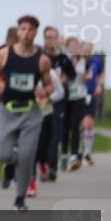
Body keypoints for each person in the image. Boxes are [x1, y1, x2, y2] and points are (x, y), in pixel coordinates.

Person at [0, 15, 54, 211]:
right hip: (7, 110)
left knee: (27, 155)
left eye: (30, 29)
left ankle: (20, 198)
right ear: (18, 31)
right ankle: (11, 164)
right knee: (2, 154)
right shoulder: (4, 54)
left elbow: (49, 85)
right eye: (23, 29)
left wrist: (44, 92)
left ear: (35, 33)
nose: (26, 33)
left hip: (30, 113)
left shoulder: (42, 60)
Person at [41, 26, 74, 182]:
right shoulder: (39, 55)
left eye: (53, 37)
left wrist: (64, 78)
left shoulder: (63, 58)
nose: (51, 40)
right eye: (48, 37)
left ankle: (52, 167)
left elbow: (71, 75)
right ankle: (43, 164)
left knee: (56, 132)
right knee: (43, 133)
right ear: (44, 38)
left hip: (59, 99)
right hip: (43, 100)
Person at [63, 37, 88, 171]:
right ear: (67, 48)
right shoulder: (64, 61)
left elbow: (84, 76)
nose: (73, 48)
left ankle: (74, 156)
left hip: (79, 96)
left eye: (75, 46)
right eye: (71, 46)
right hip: (66, 96)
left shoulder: (83, 61)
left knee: (75, 126)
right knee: (65, 127)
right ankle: (64, 154)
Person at [79, 42, 104, 167]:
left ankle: (87, 153)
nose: (87, 51)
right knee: (78, 125)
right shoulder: (77, 60)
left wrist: (99, 85)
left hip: (90, 95)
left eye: (89, 49)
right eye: (85, 48)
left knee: (88, 124)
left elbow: (100, 74)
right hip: (77, 96)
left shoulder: (96, 61)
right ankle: (77, 151)